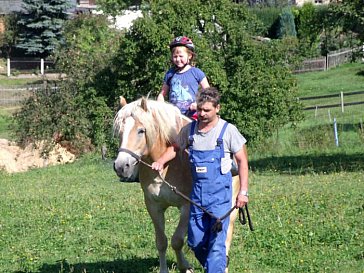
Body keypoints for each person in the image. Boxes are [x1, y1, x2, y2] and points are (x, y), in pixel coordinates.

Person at [152, 87, 249, 273]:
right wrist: (160, 161)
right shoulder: (190, 130)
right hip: (196, 196)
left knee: (217, 244)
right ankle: (215, 265)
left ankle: (216, 266)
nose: (202, 114)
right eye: (199, 110)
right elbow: (175, 147)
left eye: (207, 110)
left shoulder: (228, 131)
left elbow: (242, 161)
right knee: (195, 241)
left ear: (217, 108)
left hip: (220, 197)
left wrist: (243, 192)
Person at [157, 36, 210, 119]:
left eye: (181, 56)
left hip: (192, 116)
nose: (178, 59)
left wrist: (198, 105)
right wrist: (160, 103)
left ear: (189, 56)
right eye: (175, 56)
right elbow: (162, 94)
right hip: (174, 116)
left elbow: (209, 93)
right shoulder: (170, 73)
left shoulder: (196, 72)